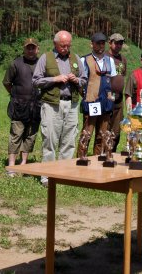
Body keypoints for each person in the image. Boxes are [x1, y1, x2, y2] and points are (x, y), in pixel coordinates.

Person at [33, 30, 85, 186]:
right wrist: (55, 79)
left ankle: (64, 174)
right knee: (50, 139)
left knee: (69, 140)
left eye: (68, 45)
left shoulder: (75, 58)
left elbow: (84, 79)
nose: (66, 48)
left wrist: (77, 80)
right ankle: (47, 176)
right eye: (63, 45)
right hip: (51, 104)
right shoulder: (45, 58)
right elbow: (36, 81)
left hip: (72, 104)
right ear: (55, 44)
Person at [3, 38, 41, 174]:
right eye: (28, 48)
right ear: (24, 49)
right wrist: (15, 95)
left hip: (36, 106)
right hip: (19, 106)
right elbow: (7, 83)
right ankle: (12, 166)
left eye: (33, 48)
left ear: (38, 49)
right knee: (16, 134)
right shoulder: (16, 63)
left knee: (31, 135)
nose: (30, 50)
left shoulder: (42, 63)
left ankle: (24, 164)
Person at [78, 33, 117, 157]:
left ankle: (97, 159)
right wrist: (86, 95)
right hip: (92, 101)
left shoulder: (109, 60)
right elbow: (80, 82)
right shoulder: (85, 59)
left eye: (102, 43)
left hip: (105, 102)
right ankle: (81, 159)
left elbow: (112, 80)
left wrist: (111, 97)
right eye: (98, 43)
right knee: (87, 134)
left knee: (102, 134)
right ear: (92, 44)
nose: (101, 45)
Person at [107, 33, 127, 153]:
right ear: (110, 43)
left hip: (119, 100)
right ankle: (102, 153)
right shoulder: (104, 56)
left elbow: (123, 75)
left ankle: (112, 153)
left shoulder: (123, 59)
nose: (119, 45)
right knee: (105, 128)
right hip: (107, 98)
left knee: (117, 129)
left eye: (121, 43)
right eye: (116, 42)